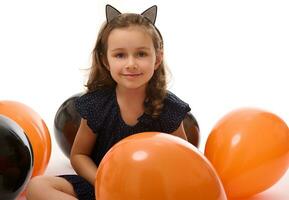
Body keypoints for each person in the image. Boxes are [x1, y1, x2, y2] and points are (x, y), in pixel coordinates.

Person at [26, 4, 191, 200]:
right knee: (37, 186)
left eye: (141, 54)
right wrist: (102, 182)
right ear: (106, 61)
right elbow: (79, 156)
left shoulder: (167, 107)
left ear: (157, 59)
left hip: (150, 191)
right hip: (103, 187)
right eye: (120, 55)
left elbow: (185, 160)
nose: (131, 63)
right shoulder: (97, 105)